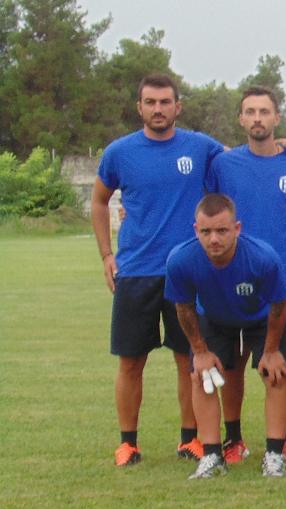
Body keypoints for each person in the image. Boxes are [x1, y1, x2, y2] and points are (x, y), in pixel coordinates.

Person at [92, 73, 225, 466]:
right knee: (131, 360)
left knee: (189, 360)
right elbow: (99, 202)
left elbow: (246, 158)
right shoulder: (119, 152)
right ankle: (128, 443)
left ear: (177, 106)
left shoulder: (200, 147)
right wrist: (106, 254)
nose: (158, 109)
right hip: (136, 271)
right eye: (150, 102)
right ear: (139, 107)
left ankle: (190, 439)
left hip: (187, 272)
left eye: (165, 102)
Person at [207, 86, 286, 463]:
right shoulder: (223, 165)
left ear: (277, 117)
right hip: (232, 276)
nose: (257, 118)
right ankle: (233, 439)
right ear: (241, 119)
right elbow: (205, 212)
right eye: (250, 112)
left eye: (264, 111)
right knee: (233, 360)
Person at [165, 194, 286, 480]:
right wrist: (200, 352)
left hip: (261, 318)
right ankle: (211, 456)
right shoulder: (181, 259)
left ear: (237, 228)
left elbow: (279, 304)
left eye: (222, 230)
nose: (214, 239)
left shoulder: (262, 257)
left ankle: (274, 455)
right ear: (195, 230)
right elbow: (183, 308)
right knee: (201, 376)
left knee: (276, 374)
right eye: (206, 231)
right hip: (215, 319)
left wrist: (271, 350)